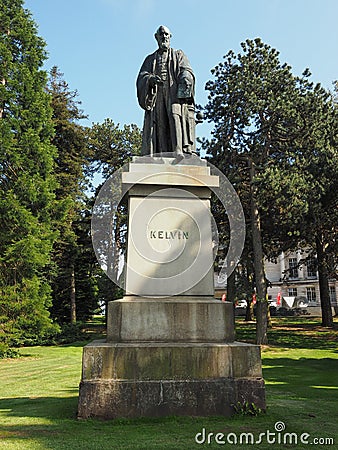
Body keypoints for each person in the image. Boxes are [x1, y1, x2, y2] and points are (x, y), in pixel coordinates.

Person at [137, 25, 196, 157]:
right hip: (157, 94)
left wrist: (185, 77)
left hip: (173, 92)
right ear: (156, 37)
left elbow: (186, 70)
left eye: (166, 34)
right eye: (161, 34)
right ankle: (162, 153)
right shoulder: (150, 59)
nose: (164, 37)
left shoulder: (178, 54)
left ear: (170, 37)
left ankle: (178, 149)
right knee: (160, 122)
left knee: (175, 116)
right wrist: (151, 79)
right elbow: (142, 76)